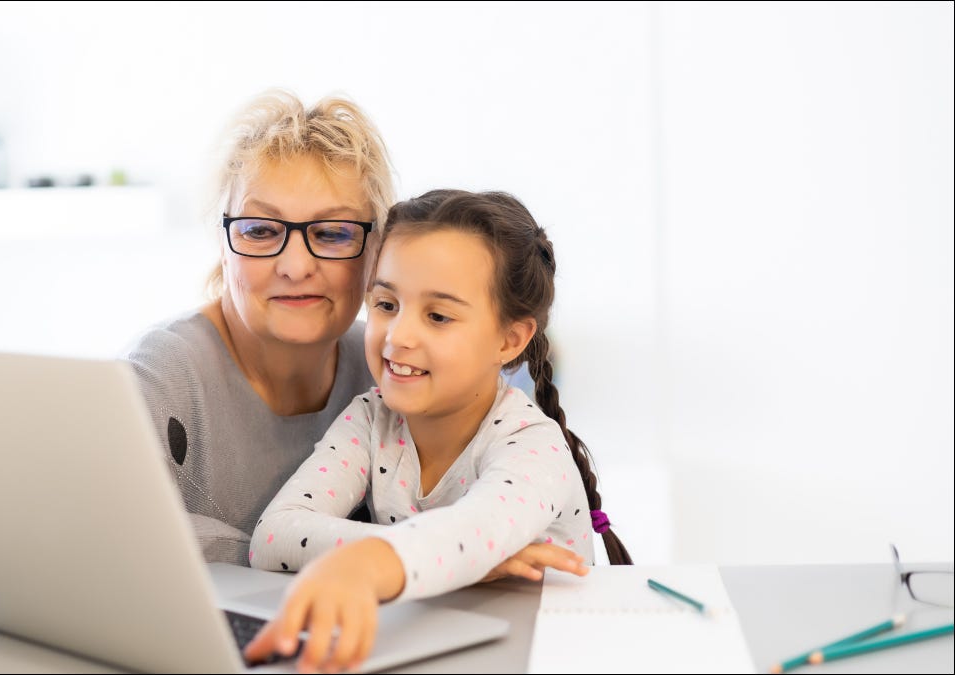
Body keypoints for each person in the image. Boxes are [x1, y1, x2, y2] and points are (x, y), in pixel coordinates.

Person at [245, 189, 633, 673]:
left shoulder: (534, 447)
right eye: (386, 304)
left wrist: (383, 563)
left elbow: (472, 530)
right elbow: (274, 535)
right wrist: (465, 563)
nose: (399, 336)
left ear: (508, 340)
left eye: (438, 316)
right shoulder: (372, 417)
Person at [125, 91, 394, 565]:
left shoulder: (390, 371)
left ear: (376, 252)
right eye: (260, 231)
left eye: (332, 234)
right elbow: (105, 539)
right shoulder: (160, 376)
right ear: (223, 243)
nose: (295, 266)